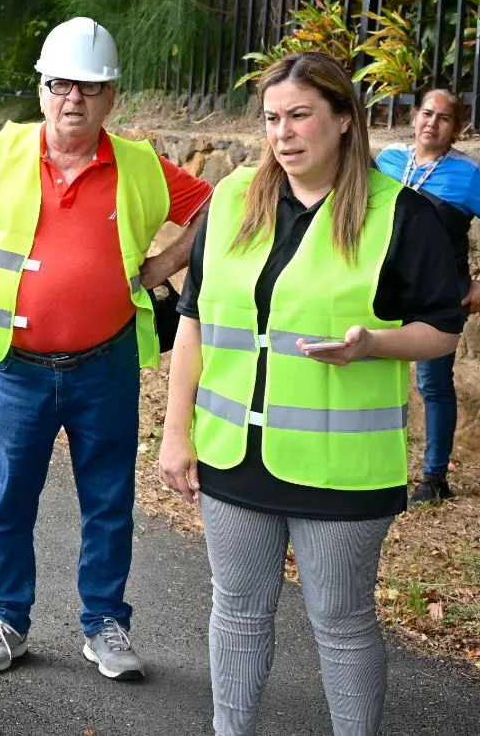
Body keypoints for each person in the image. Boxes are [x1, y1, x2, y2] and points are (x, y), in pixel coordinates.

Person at [158, 52, 461, 736]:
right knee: (236, 608)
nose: (282, 134)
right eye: (270, 119)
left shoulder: (400, 215)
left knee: (341, 621)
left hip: (340, 468)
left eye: (299, 116)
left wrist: (373, 345)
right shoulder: (232, 199)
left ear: (344, 121)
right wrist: (176, 435)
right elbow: (195, 320)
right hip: (234, 456)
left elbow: (441, 329)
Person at [0, 17, 211, 681]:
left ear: (111, 96)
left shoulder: (139, 166)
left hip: (106, 362)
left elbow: (220, 205)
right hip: (18, 367)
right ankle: (3, 620)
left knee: (107, 499)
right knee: (8, 500)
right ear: (41, 89)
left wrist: (160, 267)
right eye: (61, 84)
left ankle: (105, 625)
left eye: (90, 87)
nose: (74, 99)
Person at [374, 89, 480, 503]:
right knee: (380, 375)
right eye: (426, 113)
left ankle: (434, 478)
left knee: (433, 383)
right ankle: (382, 467)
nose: (432, 123)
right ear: (414, 116)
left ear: (458, 128)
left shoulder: (468, 176)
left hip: (441, 294)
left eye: (444, 118)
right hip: (385, 289)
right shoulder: (388, 162)